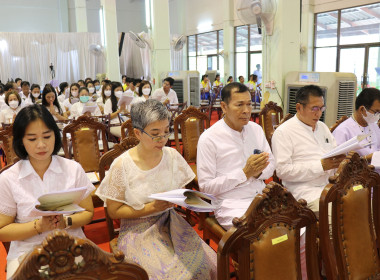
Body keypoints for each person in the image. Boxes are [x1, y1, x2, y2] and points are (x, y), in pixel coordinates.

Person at [96, 99, 216, 279]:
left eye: (166, 132)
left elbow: (183, 190)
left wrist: (189, 199)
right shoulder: (122, 165)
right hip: (138, 231)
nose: (162, 139)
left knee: (208, 264)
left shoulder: (172, 156)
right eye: (155, 133)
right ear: (138, 133)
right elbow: (113, 211)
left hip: (171, 222)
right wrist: (151, 208)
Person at [0, 105, 95, 279]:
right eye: (32, 139)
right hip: (29, 251)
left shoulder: (73, 169)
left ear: (55, 135)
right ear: (21, 140)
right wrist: (39, 226)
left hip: (72, 246)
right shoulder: (9, 178)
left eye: (47, 136)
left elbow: (88, 212)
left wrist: (65, 221)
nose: (41, 145)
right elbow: (3, 229)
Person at [197, 82, 275, 229]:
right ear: (224, 107)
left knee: (295, 231)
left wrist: (258, 172)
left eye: (249, 104)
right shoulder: (209, 138)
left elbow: (271, 164)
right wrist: (244, 173)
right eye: (239, 105)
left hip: (262, 198)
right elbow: (206, 188)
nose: (246, 110)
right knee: (262, 236)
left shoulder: (256, 130)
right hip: (231, 204)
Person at [271, 85, 345, 213]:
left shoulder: (322, 127)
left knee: (359, 203)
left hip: (330, 185)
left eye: (321, 108)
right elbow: (282, 171)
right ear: (299, 108)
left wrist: (340, 161)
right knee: (335, 214)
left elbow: (334, 152)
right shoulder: (284, 132)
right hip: (305, 191)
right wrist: (320, 166)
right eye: (314, 108)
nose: (319, 113)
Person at [332, 88, 380, 163]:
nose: (378, 115)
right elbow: (338, 164)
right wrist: (364, 159)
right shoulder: (343, 131)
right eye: (376, 112)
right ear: (362, 109)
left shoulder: (374, 126)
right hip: (356, 173)